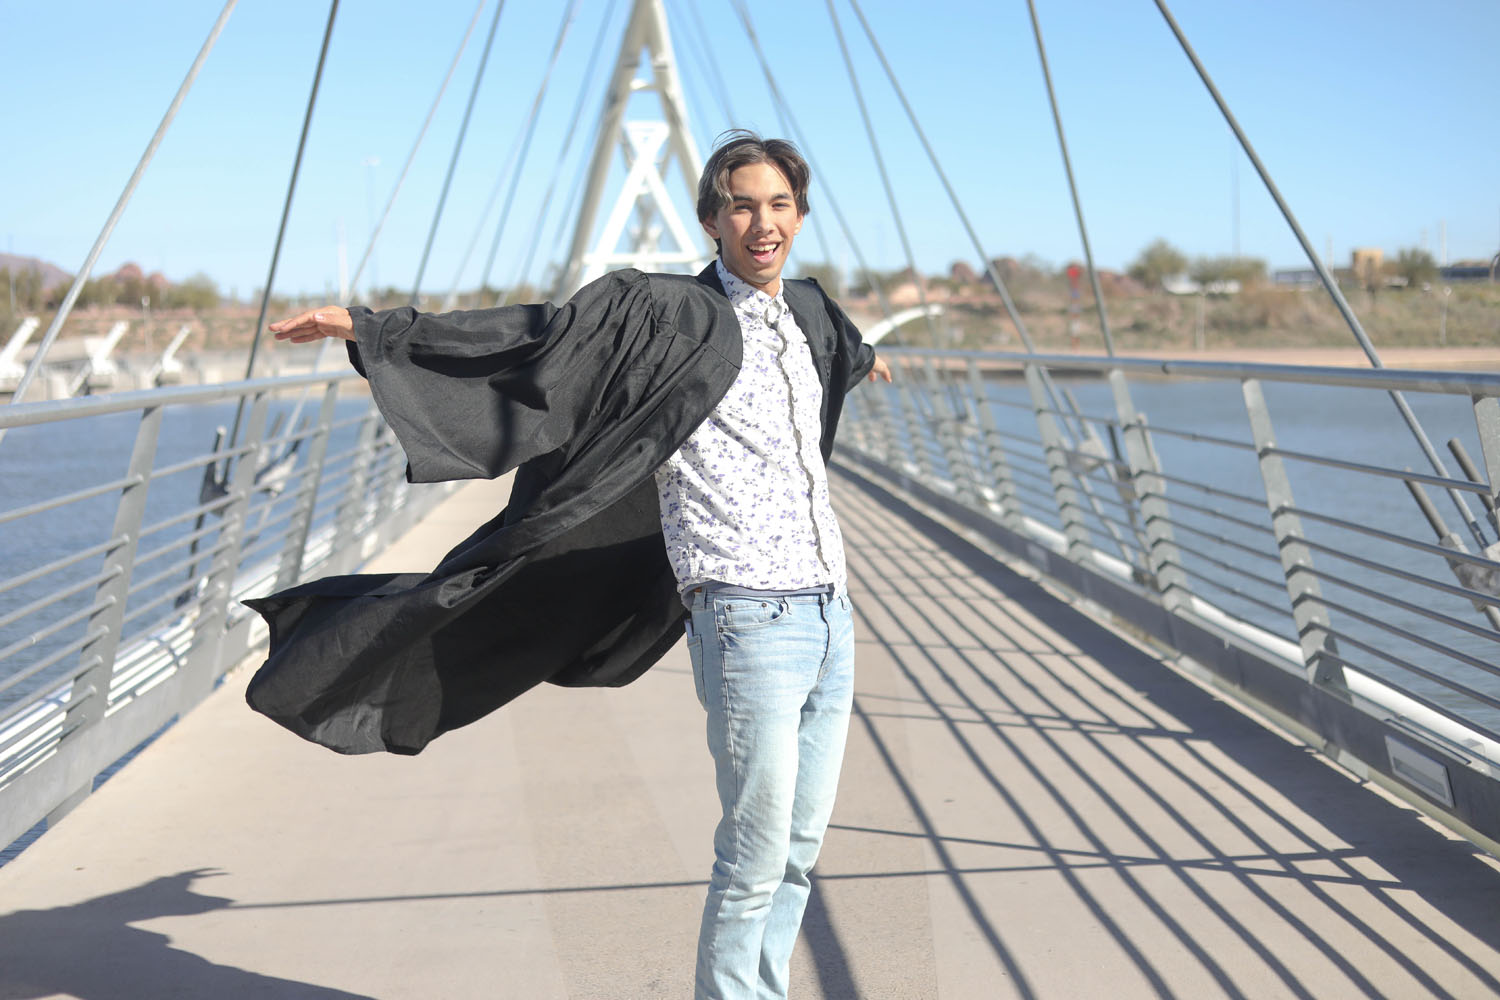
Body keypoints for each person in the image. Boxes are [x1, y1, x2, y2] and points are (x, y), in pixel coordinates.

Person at [251, 130, 890, 999]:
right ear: (710, 219)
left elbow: (839, 349)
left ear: (802, 216)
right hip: (747, 618)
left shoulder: (810, 313)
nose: (761, 222)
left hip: (829, 611)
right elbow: (538, 341)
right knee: (754, 847)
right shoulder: (669, 316)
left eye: (779, 204)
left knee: (797, 852)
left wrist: (866, 360)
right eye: (741, 204)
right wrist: (375, 332)